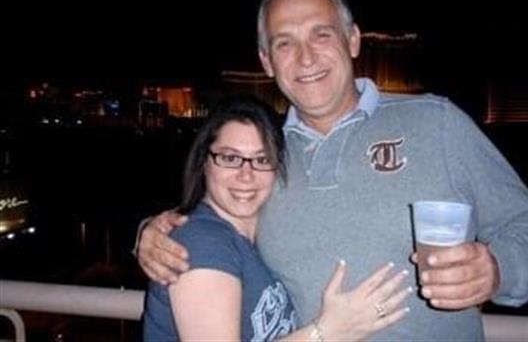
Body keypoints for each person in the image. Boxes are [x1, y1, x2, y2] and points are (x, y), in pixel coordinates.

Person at [137, 0, 528, 341]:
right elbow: (220, 217)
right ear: (267, 62)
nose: (306, 57)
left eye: (321, 34)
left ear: (352, 39)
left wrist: (497, 269)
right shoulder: (267, 156)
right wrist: (153, 233)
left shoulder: (437, 123)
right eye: (285, 43)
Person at [142, 96, 410, 341]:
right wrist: (328, 331)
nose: (246, 175)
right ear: (204, 162)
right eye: (230, 157)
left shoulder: (260, 239)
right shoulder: (202, 243)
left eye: (262, 159)